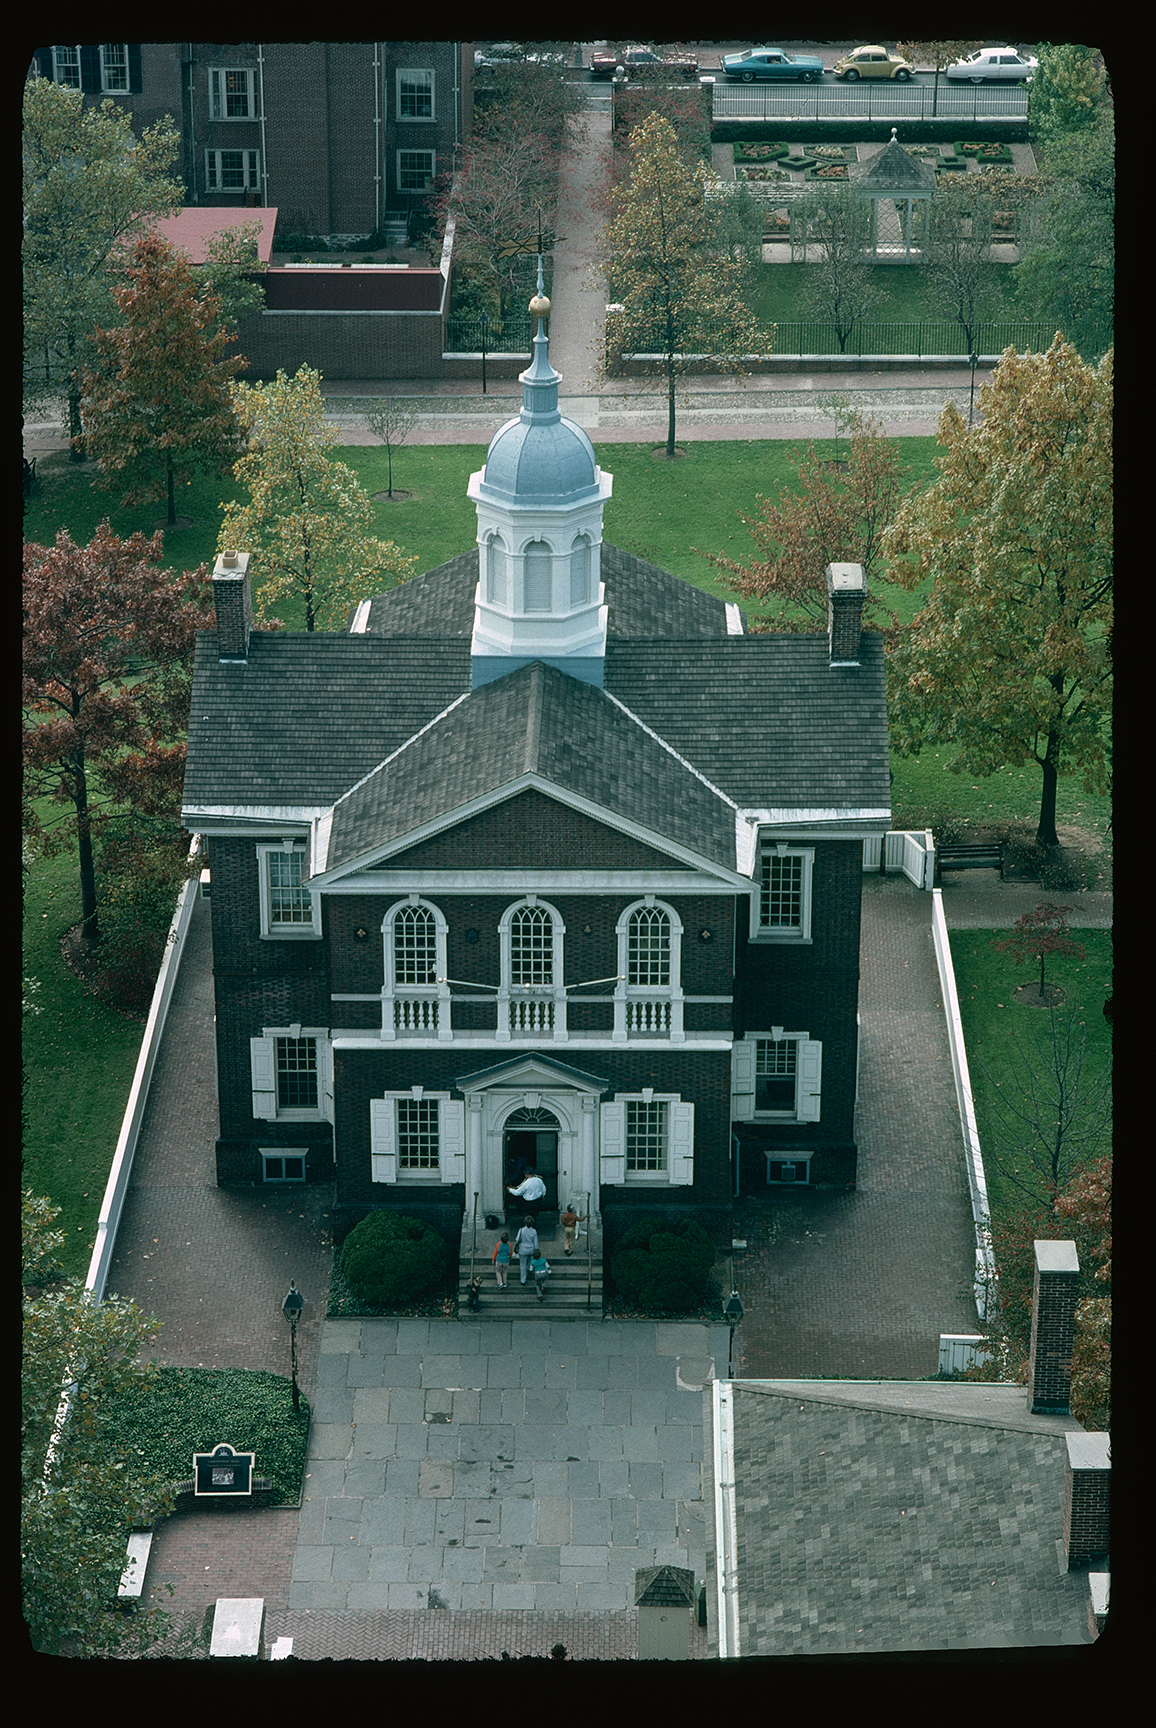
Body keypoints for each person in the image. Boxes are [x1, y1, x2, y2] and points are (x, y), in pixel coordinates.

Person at [513, 1217, 539, 1286]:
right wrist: (536, 1249)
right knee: (530, 1261)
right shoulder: (534, 1231)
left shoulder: (521, 1230)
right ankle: (529, 1269)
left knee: (522, 1265)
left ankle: (523, 1279)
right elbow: (535, 1242)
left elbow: (517, 1239)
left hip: (523, 1249)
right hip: (531, 1249)